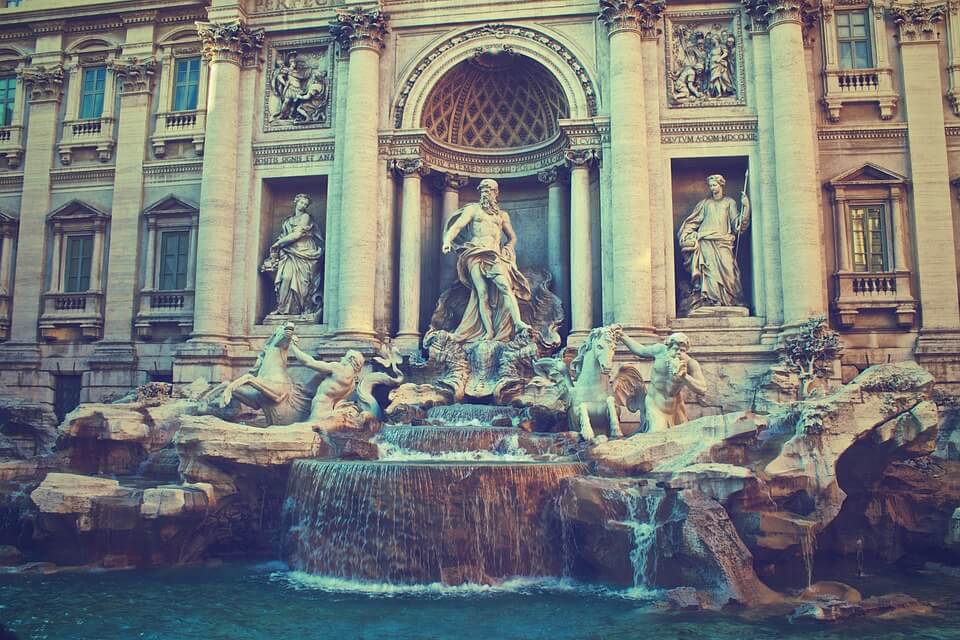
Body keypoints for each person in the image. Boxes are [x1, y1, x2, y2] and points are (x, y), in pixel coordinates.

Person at [441, 178, 532, 342]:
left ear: (496, 193)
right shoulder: (474, 210)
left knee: (505, 287)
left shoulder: (502, 215)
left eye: (488, 189)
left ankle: (518, 323)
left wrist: (508, 249)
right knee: (481, 293)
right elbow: (458, 226)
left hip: (494, 254)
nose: (485, 192)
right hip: (475, 252)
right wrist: (448, 240)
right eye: (482, 189)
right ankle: (488, 332)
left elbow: (512, 237)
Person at [677, 174, 750, 310]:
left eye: (714, 185)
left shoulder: (729, 202)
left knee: (730, 272)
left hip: (723, 242)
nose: (712, 188)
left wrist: (746, 208)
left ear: (721, 185)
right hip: (705, 241)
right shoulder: (705, 204)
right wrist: (687, 234)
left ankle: (729, 300)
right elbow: (693, 222)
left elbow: (737, 225)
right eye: (710, 186)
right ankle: (710, 301)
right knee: (709, 272)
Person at [618, 331, 707, 432]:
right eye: (675, 349)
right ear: (668, 346)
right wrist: (622, 336)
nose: (678, 353)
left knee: (683, 437)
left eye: (682, 350)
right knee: (657, 435)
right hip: (655, 404)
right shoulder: (659, 350)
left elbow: (702, 389)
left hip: (675, 407)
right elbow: (641, 350)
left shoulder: (691, 364)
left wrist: (685, 376)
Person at [263, 193, 324, 316]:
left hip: (304, 252)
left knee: (303, 284)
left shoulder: (305, 217)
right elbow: (284, 235)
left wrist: (278, 244)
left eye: (305, 204)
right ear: (296, 201)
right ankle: (282, 308)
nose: (303, 205)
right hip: (289, 252)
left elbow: (297, 235)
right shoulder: (288, 220)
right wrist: (279, 245)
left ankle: (300, 310)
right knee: (285, 278)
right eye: (301, 202)